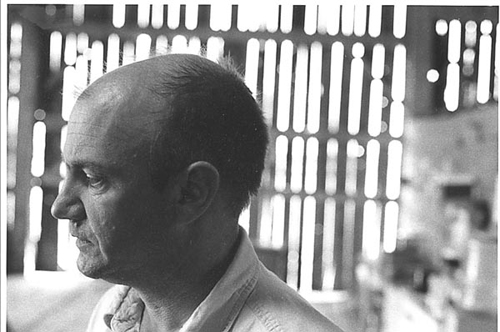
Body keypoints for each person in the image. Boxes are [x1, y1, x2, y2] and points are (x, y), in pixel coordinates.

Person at [51, 54, 343, 332]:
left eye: (93, 178)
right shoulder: (115, 312)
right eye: (68, 174)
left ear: (192, 192)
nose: (61, 206)